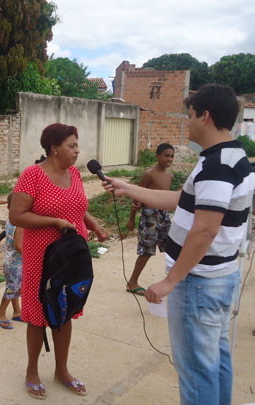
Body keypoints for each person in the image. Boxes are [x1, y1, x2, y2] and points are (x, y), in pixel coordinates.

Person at [102, 84, 255, 405]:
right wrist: (129, 189)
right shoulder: (230, 156)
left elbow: (205, 230)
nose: (186, 123)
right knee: (216, 361)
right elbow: (183, 201)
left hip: (199, 285)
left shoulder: (217, 167)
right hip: (219, 279)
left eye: (189, 115)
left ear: (206, 116)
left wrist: (171, 280)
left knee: (197, 372)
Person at [10, 123, 108, 400]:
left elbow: (77, 208)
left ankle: (61, 370)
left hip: (72, 255)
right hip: (42, 256)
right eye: (72, 146)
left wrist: (96, 226)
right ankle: (32, 371)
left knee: (65, 309)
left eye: (77, 145)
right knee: (38, 313)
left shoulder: (75, 174)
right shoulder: (33, 176)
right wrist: (54, 221)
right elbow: (17, 215)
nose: (77, 151)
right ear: (54, 148)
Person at [125, 143, 174, 295]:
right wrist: (131, 219)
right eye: (166, 155)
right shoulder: (149, 175)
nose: (169, 159)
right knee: (147, 250)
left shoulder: (170, 175)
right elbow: (136, 197)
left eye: (172, 156)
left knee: (173, 247)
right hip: (149, 217)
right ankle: (132, 282)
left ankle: (174, 280)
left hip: (164, 215)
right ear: (157, 156)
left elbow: (166, 196)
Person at [0, 193, 22, 329]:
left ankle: (17, 312)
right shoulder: (20, 224)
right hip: (16, 263)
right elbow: (19, 246)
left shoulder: (10, 219)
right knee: (12, 289)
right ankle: (1, 314)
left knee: (14, 287)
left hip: (9, 261)